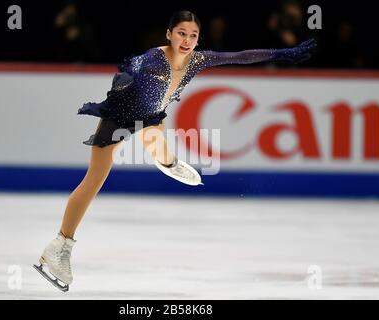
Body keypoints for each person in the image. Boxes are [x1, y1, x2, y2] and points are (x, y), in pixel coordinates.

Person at [33, 10, 317, 291]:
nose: (187, 39)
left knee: (163, 153)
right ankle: (60, 246)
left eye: (193, 35)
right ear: (169, 34)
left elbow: (239, 55)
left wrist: (284, 53)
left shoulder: (197, 60)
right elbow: (133, 65)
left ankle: (169, 164)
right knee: (94, 180)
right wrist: (127, 74)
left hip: (150, 118)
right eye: (182, 33)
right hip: (119, 117)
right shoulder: (156, 58)